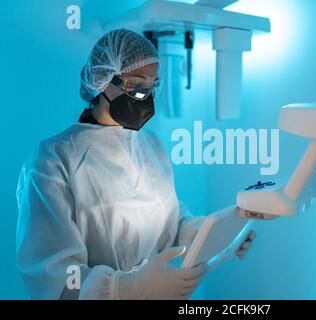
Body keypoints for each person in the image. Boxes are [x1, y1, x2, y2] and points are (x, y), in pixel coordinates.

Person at [16, 28, 255, 300]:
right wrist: (124, 288)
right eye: (137, 86)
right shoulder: (53, 159)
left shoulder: (151, 146)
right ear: (102, 80)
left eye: (152, 86)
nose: (146, 97)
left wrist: (215, 237)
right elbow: (52, 275)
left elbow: (174, 223)